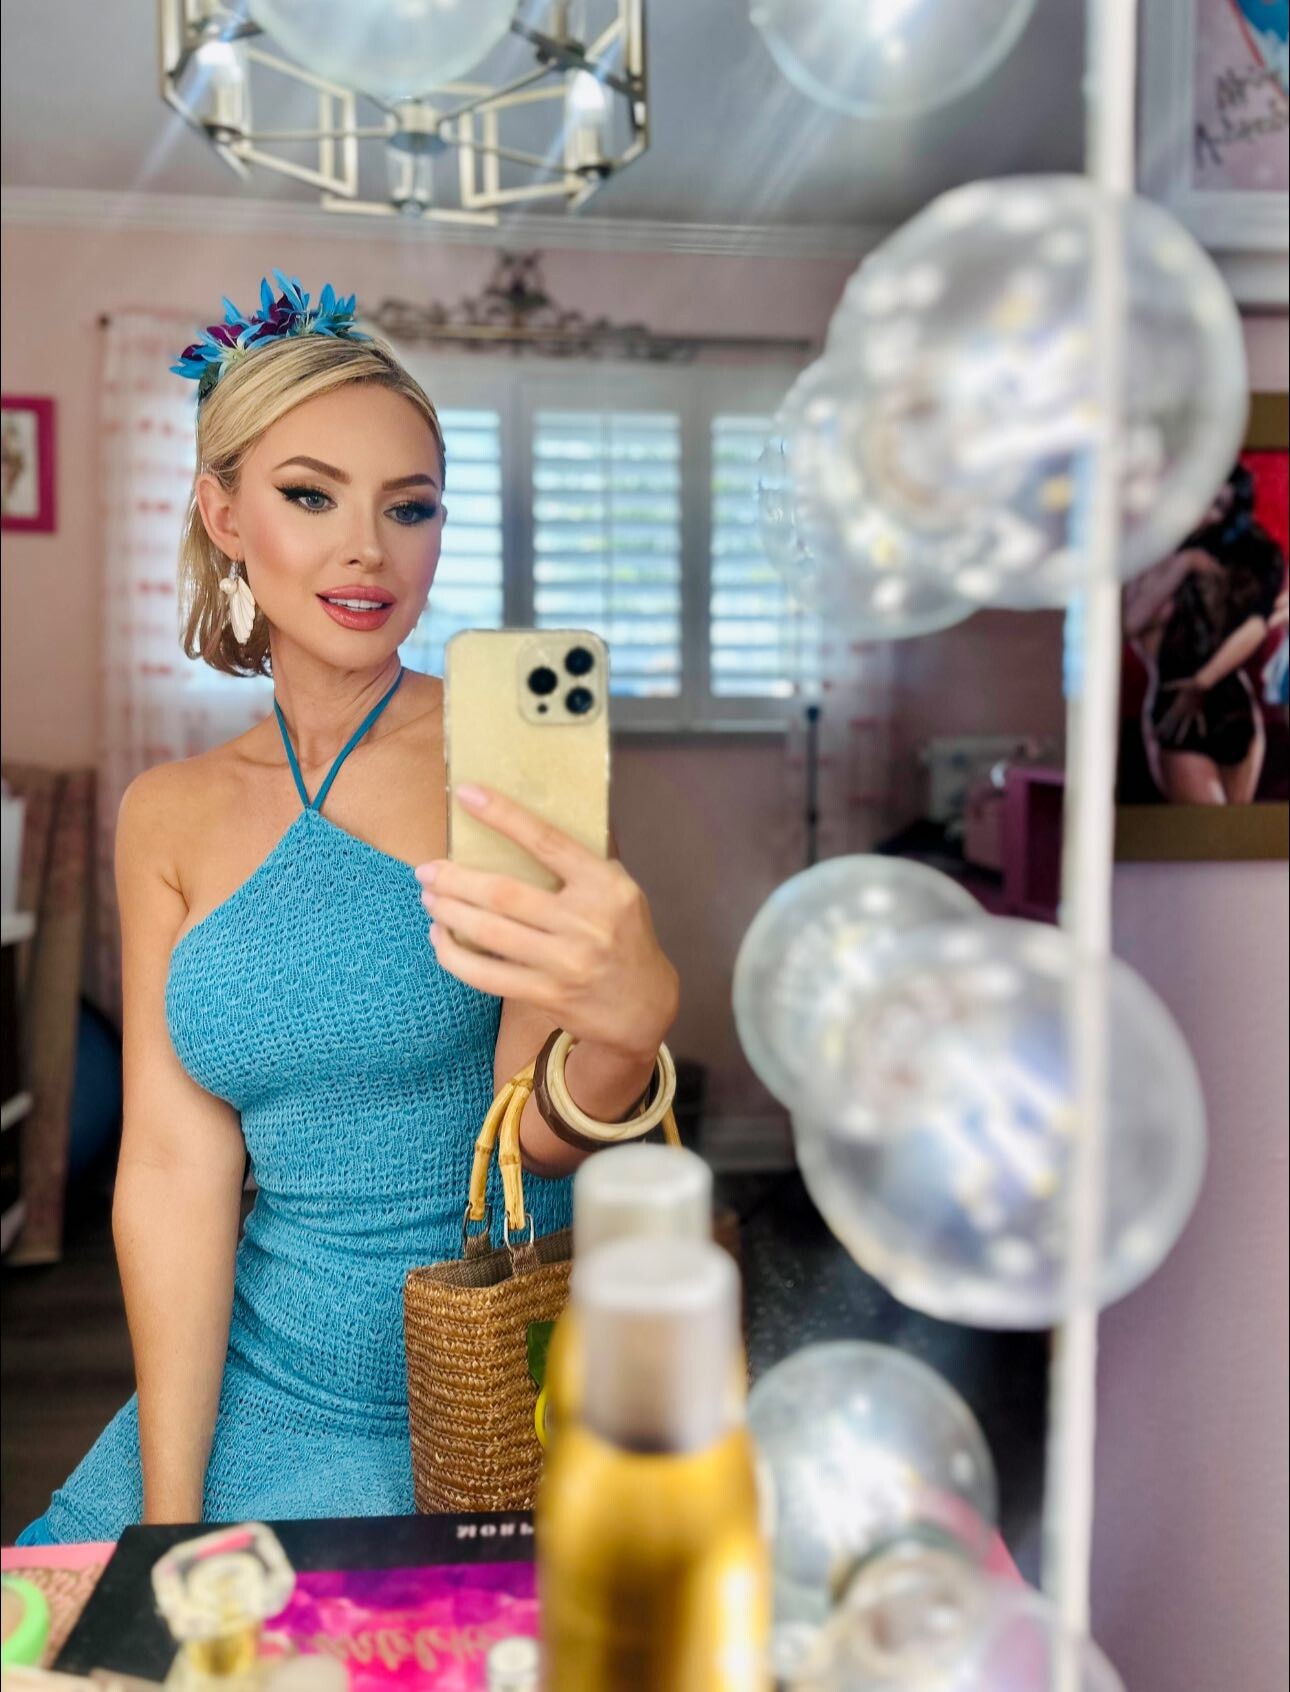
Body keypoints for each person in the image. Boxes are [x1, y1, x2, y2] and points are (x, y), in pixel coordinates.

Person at [16, 275, 679, 1544]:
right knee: (82, 1626)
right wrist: (168, 1519)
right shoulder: (167, 814)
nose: (368, 548)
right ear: (224, 514)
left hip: (481, 1388)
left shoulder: (508, 755)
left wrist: (624, 1031)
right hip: (252, 1385)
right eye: (311, 496)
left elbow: (533, 1142)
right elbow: (172, 1167)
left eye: (408, 507)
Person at [1124, 463, 1288, 805]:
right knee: (1209, 823)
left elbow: (1261, 620)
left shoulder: (1234, 564)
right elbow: (1129, 624)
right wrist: (1183, 564)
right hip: (1177, 710)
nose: (1210, 515)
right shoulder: (1151, 560)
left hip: (1236, 708)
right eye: (1204, 501)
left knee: (1236, 831)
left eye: (1220, 506)